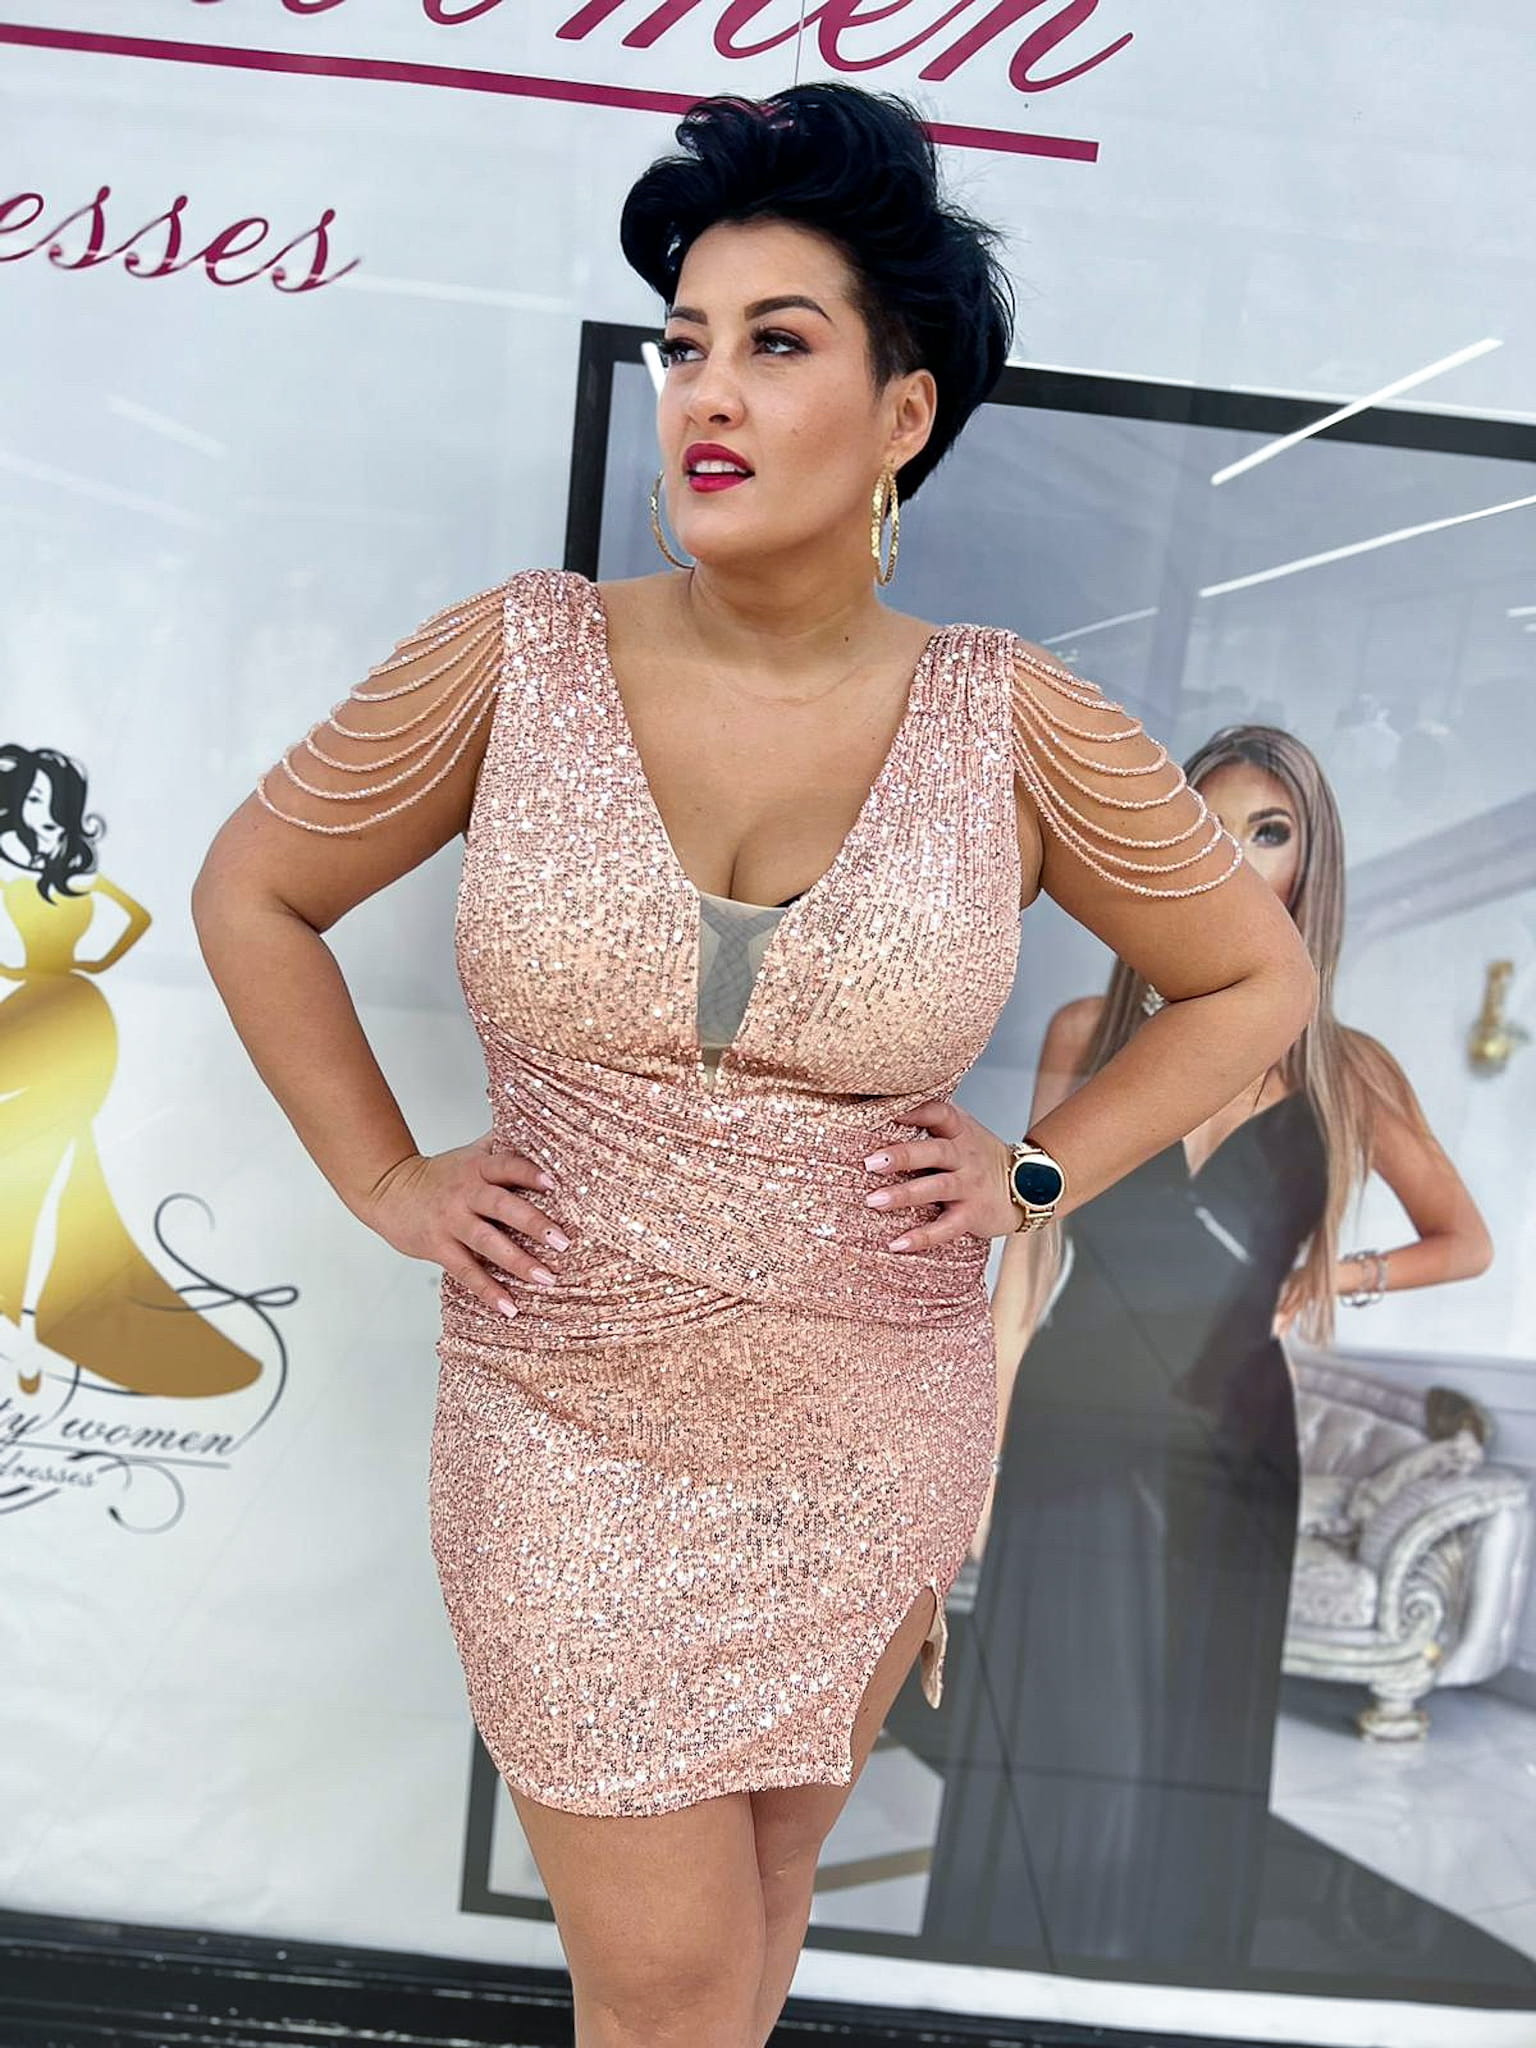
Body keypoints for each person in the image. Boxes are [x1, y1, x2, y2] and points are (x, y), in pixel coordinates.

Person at [192, 88, 1314, 2048]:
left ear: (900, 413)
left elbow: (1251, 981)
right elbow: (253, 893)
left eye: (776, 343)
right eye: (684, 344)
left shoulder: (1012, 720)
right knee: (670, 1983)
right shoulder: (516, 659)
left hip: (871, 1432)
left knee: (760, 1923)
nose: (705, 391)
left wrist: (1034, 1169)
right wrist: (386, 1175)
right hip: (560, 1419)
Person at [922, 723, 1492, 1971]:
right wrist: (980, 1457)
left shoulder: (1348, 1071)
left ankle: (1157, 1973)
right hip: (1075, 1417)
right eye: (1207, 825)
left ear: (1308, 865)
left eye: (1267, 831)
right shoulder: (1086, 1032)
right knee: (1061, 1709)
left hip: (1235, 1436)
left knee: (1191, 1714)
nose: (1233, 854)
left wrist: (1335, 1274)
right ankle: (1020, 1971)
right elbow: (1028, 1263)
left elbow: (1467, 1240)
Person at [0, 744, 261, 1401]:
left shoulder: (77, 879)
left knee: (53, 1159)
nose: (37, 813)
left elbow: (139, 918)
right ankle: (31, 1316)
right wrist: (20, 970)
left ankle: (34, 1320)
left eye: (44, 801)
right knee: (35, 1161)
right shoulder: (16, 878)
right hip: (33, 1007)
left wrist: (88, 964)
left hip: (75, 1016)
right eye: (28, 802)